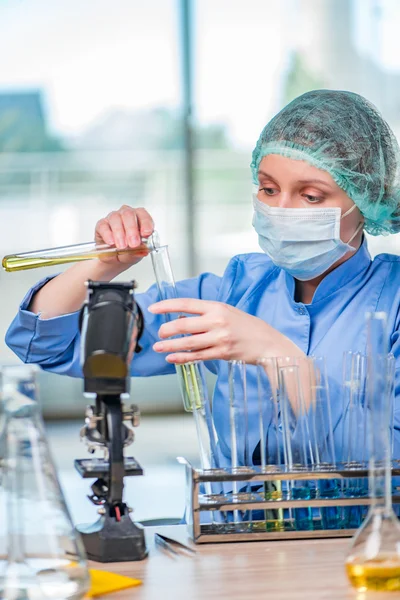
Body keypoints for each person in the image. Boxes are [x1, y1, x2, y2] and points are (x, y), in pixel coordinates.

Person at [5, 89, 400, 468]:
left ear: (367, 199)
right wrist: (103, 265)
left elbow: (388, 462)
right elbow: (47, 345)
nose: (280, 210)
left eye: (310, 196)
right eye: (267, 188)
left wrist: (282, 359)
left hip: (361, 537)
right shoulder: (235, 290)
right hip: (228, 532)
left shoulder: (393, 302)